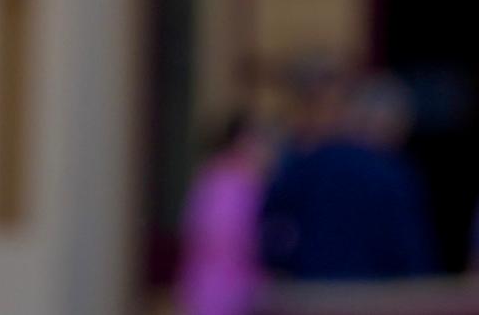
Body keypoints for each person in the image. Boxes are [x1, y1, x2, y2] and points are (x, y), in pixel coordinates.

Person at [257, 74, 436, 288]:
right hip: (376, 298)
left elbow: (273, 231)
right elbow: (410, 250)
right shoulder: (394, 174)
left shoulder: (307, 164)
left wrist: (290, 267)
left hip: (311, 294)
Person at [172, 107, 273, 315]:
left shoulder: (242, 179)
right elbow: (220, 234)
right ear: (242, 140)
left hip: (233, 283)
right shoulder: (226, 180)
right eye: (260, 139)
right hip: (221, 285)